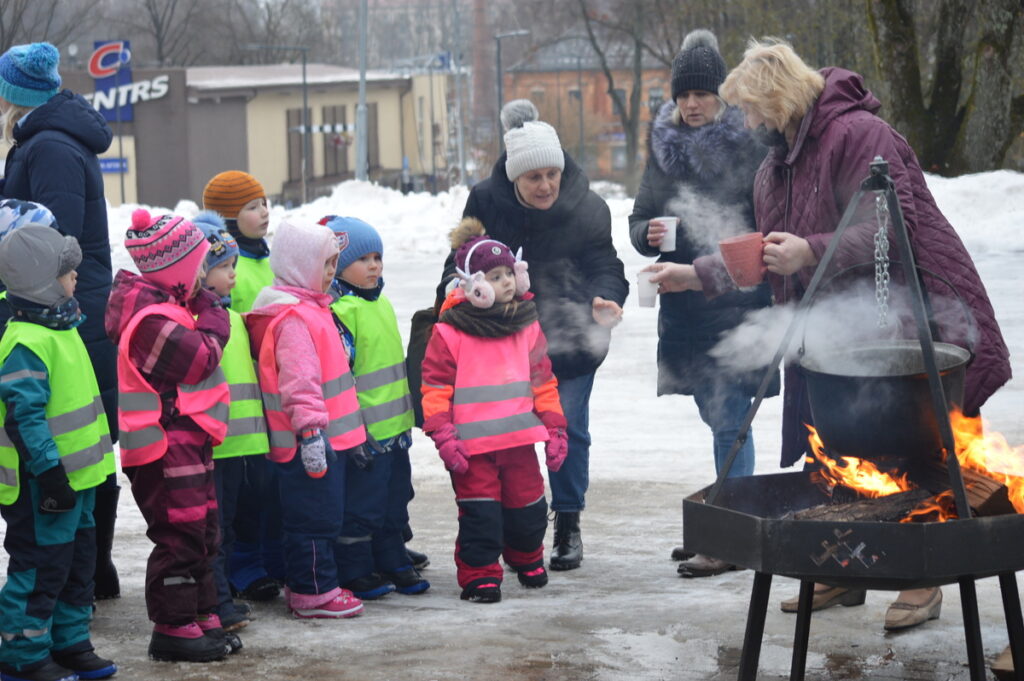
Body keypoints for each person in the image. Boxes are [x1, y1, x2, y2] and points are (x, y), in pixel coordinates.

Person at [647, 38, 1011, 631]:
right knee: (838, 450)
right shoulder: (774, 167)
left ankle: (919, 581)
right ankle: (846, 564)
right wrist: (692, 275)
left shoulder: (859, 135)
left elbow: (889, 229)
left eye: (750, 107)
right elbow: (764, 254)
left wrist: (810, 251)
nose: (746, 120)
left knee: (911, 455)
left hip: (903, 322)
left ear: (776, 96)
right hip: (829, 340)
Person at [440, 117, 628, 571]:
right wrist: (456, 300)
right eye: (534, 178)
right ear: (514, 178)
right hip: (504, 344)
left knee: (568, 428)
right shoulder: (487, 201)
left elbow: (607, 262)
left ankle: (567, 521)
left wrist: (607, 297)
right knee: (505, 436)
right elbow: (460, 263)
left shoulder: (589, 207)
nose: (546, 186)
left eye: (552, 175)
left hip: (572, 339)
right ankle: (510, 524)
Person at [627, 29, 775, 578]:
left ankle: (732, 537)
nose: (691, 105)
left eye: (702, 94)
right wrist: (649, 233)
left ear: (723, 96)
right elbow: (639, 218)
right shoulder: (663, 151)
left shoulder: (752, 148)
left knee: (730, 422)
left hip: (740, 305)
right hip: (684, 307)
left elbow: (765, 229)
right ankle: (723, 526)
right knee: (715, 415)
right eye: (683, 95)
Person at [0, 41, 121, 602]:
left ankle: (83, 575)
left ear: (13, 95)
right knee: (81, 446)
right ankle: (87, 575)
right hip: (70, 309)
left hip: (68, 313)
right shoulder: (46, 139)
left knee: (74, 444)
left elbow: (52, 246)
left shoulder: (46, 146)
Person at [106, 209, 234, 662]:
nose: (205, 274)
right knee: (179, 535)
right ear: (176, 271)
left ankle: (201, 612)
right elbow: (202, 357)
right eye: (198, 265)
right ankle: (173, 625)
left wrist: (202, 308)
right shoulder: (150, 320)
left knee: (203, 530)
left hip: (187, 438)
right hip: (162, 445)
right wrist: (214, 313)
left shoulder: (174, 307)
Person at [423, 218, 567, 603]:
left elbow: (543, 382)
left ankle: (526, 557)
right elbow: (435, 388)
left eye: (509, 274)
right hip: (472, 449)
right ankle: (480, 575)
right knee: (480, 514)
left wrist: (556, 429)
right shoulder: (449, 332)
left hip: (519, 442)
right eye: (495, 275)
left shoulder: (527, 326)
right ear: (474, 285)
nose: (506, 282)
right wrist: (443, 435)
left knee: (529, 506)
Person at [0, 225, 117, 681]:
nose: (74, 280)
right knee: (41, 567)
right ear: (43, 282)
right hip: (44, 484)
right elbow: (24, 418)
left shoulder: (63, 326)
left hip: (81, 480)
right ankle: (22, 653)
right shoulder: (26, 342)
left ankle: (68, 641)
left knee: (77, 563)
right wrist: (49, 474)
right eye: (67, 274)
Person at [244, 216, 368, 620]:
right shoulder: (295, 318)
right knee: (315, 518)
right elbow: (300, 382)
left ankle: (302, 580)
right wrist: (312, 432)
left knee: (316, 514)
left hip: (327, 441)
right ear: (300, 266)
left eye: (334, 264)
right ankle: (313, 591)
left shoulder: (312, 309)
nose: (332, 273)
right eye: (325, 264)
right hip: (311, 443)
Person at [321, 215, 429, 599]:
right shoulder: (341, 312)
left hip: (395, 429)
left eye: (377, 257)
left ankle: (391, 554)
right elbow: (341, 380)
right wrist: (355, 431)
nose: (374, 266)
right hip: (364, 434)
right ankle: (355, 566)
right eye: (362, 258)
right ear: (335, 265)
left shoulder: (379, 303)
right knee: (362, 506)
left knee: (395, 499)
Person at [202, 170, 282, 602]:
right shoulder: (236, 272)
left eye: (264, 202)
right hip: (244, 395)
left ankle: (267, 557)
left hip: (273, 391)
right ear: (229, 221)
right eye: (252, 207)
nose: (264, 212)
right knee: (245, 490)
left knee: (270, 484)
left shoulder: (270, 261)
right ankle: (244, 565)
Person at [193, 211, 268, 636]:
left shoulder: (234, 319)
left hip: (244, 444)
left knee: (233, 526)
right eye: (223, 267)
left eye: (234, 266)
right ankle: (216, 601)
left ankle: (225, 594)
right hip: (216, 447)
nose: (232, 276)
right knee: (214, 532)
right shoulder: (199, 322)